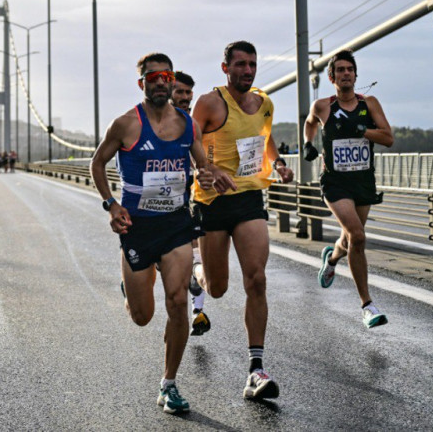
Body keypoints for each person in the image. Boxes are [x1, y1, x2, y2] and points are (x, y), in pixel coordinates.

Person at [90, 52, 229, 415]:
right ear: (142, 84)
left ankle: (169, 383)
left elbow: (201, 166)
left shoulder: (187, 125)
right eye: (152, 77)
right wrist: (111, 205)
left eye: (165, 76)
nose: (160, 82)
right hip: (138, 227)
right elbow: (97, 163)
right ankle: (132, 283)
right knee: (142, 316)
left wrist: (209, 175)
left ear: (171, 81)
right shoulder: (125, 125)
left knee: (179, 302)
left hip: (176, 224)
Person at [191, 41, 293, 401]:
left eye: (252, 65)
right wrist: (206, 169)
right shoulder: (209, 102)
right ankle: (196, 275)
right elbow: (189, 140)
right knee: (217, 288)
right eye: (240, 65)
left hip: (250, 197)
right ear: (225, 68)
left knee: (257, 278)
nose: (247, 71)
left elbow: (264, 140)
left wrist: (278, 163)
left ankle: (256, 370)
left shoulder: (264, 102)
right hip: (213, 202)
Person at [303, 48, 394, 328]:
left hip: (363, 180)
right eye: (340, 70)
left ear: (355, 75)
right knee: (358, 235)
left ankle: (332, 258)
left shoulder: (370, 104)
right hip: (335, 181)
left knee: (351, 239)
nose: (345, 74)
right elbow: (309, 123)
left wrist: (361, 130)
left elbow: (388, 138)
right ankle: (367, 306)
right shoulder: (323, 106)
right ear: (332, 77)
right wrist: (309, 143)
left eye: (349, 69)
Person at [171, 71, 210, 337]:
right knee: (170, 263)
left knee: (195, 255)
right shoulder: (150, 124)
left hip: (189, 200)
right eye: (180, 92)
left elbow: (200, 160)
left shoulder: (193, 124)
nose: (185, 98)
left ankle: (198, 312)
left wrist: (206, 174)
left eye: (188, 93)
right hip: (156, 208)